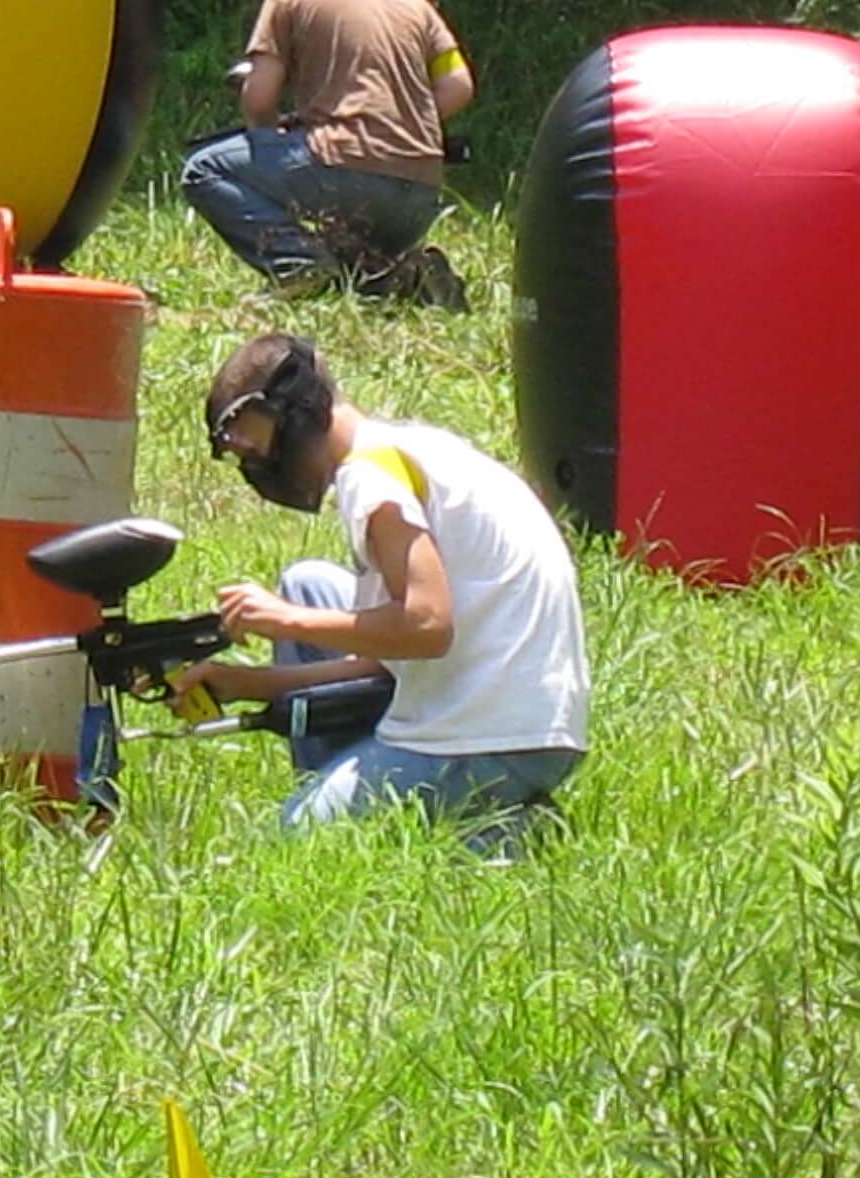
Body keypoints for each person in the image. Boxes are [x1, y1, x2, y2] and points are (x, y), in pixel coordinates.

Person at [181, 332, 589, 853]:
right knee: (309, 583)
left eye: (254, 445)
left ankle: (497, 830)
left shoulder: (369, 476)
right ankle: (475, 806)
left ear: (294, 412)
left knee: (300, 841)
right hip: (534, 721)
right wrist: (247, 683)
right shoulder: (403, 448)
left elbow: (425, 626)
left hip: (491, 733)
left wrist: (283, 620)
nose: (256, 465)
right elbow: (384, 664)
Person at [181, 0, 474, 305]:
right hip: (420, 194)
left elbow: (259, 99)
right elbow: (459, 85)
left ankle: (297, 265)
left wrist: (271, 137)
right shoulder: (413, 1)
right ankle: (406, 275)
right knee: (357, 270)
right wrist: (403, 124)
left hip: (344, 178)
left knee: (205, 169)